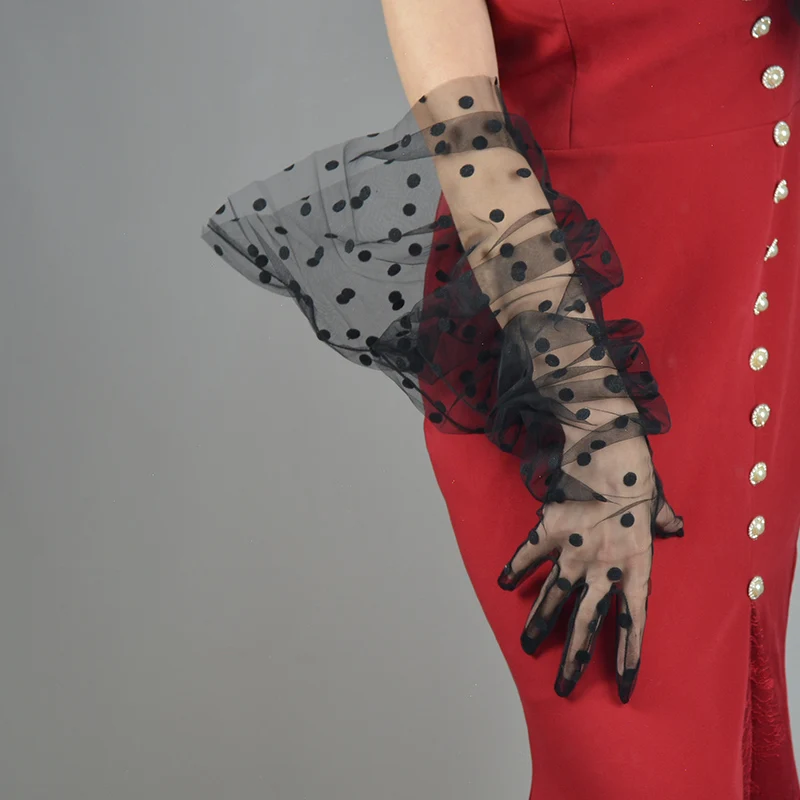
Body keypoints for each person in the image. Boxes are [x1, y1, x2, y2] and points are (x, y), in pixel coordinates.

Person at [201, 0, 800, 796]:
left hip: (751, 285)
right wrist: (593, 418)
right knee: (646, 759)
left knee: (735, 729)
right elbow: (465, 130)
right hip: (566, 335)